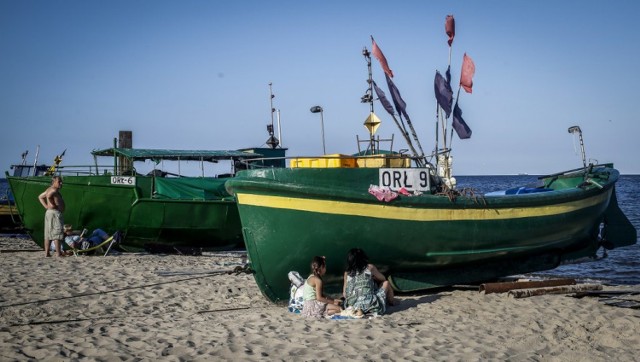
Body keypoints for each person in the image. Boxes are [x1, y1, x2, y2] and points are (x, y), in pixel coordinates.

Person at [342, 248, 395, 315]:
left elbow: (344, 294)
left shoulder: (347, 273)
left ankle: (360, 309)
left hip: (351, 307)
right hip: (371, 305)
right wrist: (374, 278)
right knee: (386, 283)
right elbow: (383, 278)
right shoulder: (369, 267)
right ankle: (391, 303)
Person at [38, 176, 65, 257]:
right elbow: (49, 196)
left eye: (61, 181)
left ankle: (47, 253)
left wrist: (47, 206)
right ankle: (58, 253)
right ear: (54, 182)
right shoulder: (54, 190)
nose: (61, 183)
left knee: (48, 234)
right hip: (54, 213)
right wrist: (53, 204)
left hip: (49, 212)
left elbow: (40, 197)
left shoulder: (49, 189)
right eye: (59, 181)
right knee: (57, 233)